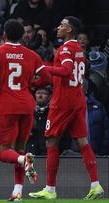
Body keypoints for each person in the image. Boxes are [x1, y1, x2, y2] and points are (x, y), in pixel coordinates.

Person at [29, 16, 105, 200]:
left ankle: (50, 189)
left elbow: (65, 71)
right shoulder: (78, 48)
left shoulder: (64, 49)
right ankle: (95, 184)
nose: (58, 28)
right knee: (82, 141)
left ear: (69, 29)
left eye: (62, 25)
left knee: (51, 142)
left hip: (62, 102)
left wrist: (43, 67)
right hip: (78, 99)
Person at [0, 19, 51, 201]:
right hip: (26, 104)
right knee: (19, 149)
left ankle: (24, 161)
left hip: (7, 106)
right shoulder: (32, 55)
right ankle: (17, 191)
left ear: (4, 34)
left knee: (4, 152)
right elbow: (46, 78)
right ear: (22, 35)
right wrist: (31, 83)